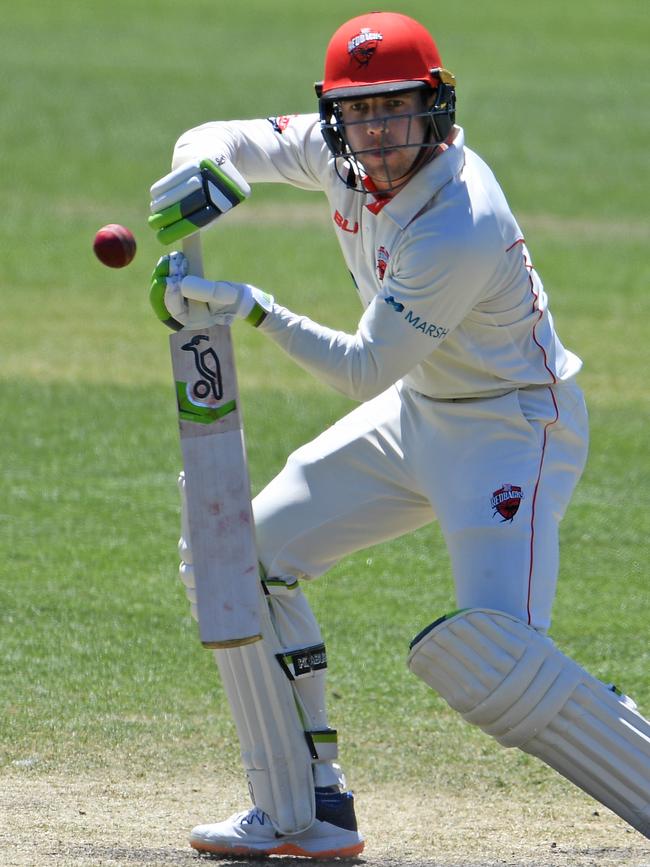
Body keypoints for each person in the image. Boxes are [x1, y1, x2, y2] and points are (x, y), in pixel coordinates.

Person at [148, 11, 650, 859]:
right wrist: (200, 167)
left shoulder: (459, 217)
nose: (377, 133)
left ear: (436, 108)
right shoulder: (336, 146)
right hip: (418, 413)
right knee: (241, 556)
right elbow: (220, 133)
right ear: (337, 115)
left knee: (495, 659)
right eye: (360, 112)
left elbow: (361, 368)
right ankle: (306, 809)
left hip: (511, 427)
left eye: (396, 109)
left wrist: (254, 308)